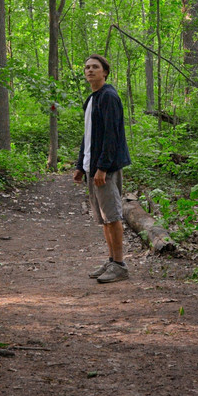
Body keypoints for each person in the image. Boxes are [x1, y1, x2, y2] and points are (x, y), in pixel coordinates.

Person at [73, 54, 132, 284]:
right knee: (104, 218)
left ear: (104, 72)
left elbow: (111, 135)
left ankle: (120, 265)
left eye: (95, 67)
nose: (89, 70)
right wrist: (81, 165)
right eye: (87, 67)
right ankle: (111, 261)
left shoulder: (108, 96)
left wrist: (103, 167)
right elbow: (88, 136)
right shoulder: (92, 99)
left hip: (104, 169)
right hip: (93, 167)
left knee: (112, 216)